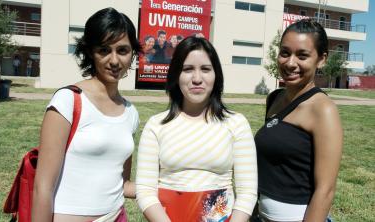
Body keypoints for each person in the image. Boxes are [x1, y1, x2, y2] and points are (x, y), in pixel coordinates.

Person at [32, 7, 142, 222]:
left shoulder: (131, 113)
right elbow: (42, 187)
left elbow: (123, 184)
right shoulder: (68, 101)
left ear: (132, 54)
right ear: (91, 52)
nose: (114, 60)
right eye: (104, 50)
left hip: (116, 217)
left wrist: (172, 186)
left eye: (122, 50)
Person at [136, 36, 258, 222]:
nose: (197, 79)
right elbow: (145, 191)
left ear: (216, 75)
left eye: (206, 69)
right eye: (187, 69)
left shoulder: (236, 124)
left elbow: (247, 192)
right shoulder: (156, 125)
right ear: (176, 75)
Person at [254, 19, 343, 222]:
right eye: (285, 53)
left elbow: (326, 190)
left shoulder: (323, 109)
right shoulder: (274, 98)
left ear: (321, 59)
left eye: (302, 55)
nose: (290, 62)